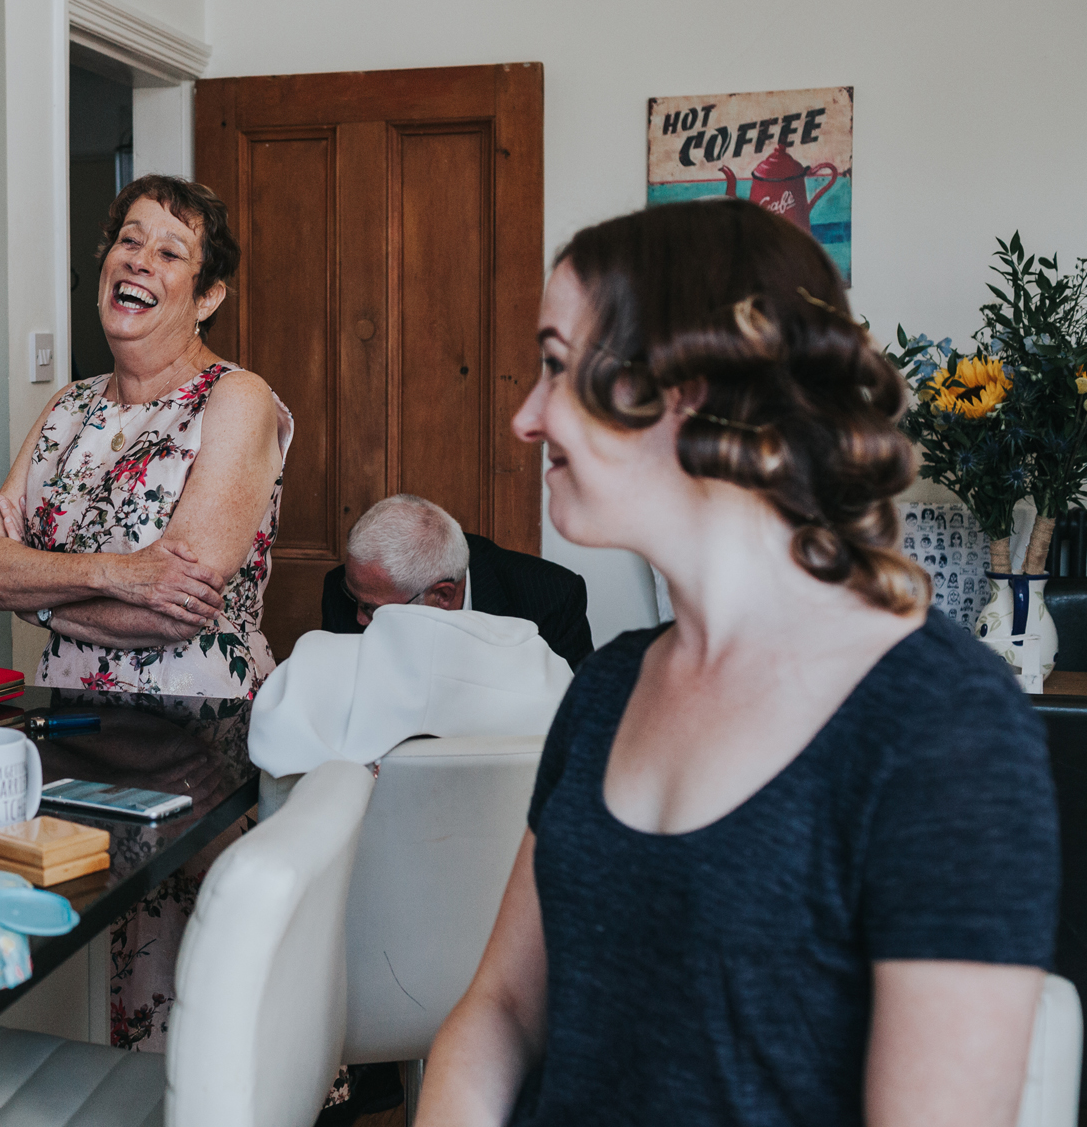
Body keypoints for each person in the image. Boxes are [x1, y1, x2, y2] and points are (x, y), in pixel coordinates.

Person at [417, 198, 1058, 1126]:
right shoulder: (606, 690)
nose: (525, 417)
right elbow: (506, 1011)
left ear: (689, 388)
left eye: (556, 366)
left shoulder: (943, 729)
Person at [0, 173, 292, 1049]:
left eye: (170, 251)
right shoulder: (66, 408)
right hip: (73, 732)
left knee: (199, 1007)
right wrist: (121, 574)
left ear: (208, 295)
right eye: (128, 240)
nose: (138, 261)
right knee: (93, 977)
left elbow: (176, 610)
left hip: (200, 745)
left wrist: (43, 592)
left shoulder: (236, 400)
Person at [319, 495, 593, 670]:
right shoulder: (345, 589)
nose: (360, 618)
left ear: (442, 595)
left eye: (371, 609)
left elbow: (575, 719)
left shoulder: (551, 596)